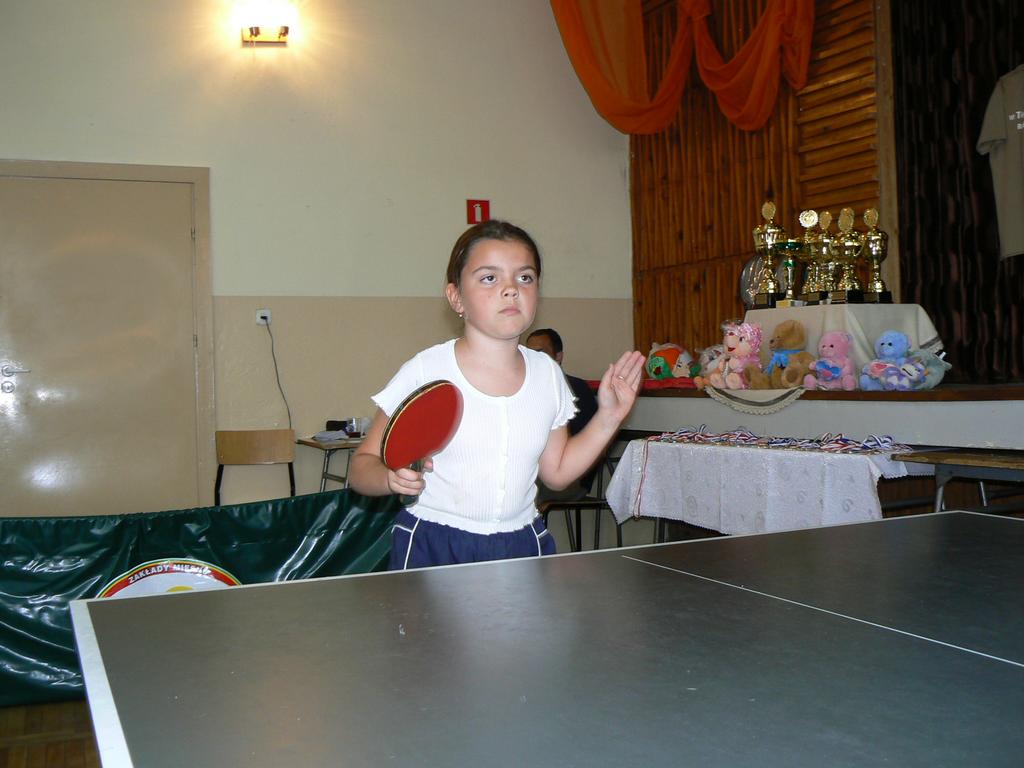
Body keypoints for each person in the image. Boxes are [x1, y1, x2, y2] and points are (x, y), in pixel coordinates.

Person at [349, 219, 644, 570]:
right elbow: (362, 467)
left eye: (525, 277)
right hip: (434, 544)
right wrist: (389, 478)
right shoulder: (425, 370)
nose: (511, 289)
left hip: (522, 543)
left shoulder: (547, 373)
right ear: (456, 297)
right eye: (490, 277)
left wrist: (609, 417)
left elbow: (557, 472)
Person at [525, 328, 601, 503]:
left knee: (515, 488)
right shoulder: (526, 389)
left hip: (569, 475)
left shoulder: (575, 389)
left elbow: (587, 443)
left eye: (540, 353)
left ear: (558, 356)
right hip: (533, 470)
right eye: (528, 354)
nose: (532, 359)